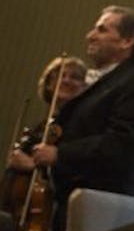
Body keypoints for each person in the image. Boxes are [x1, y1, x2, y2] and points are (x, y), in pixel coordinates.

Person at [8, 7, 134, 231]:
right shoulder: (104, 82)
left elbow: (122, 143)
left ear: (128, 41)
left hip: (104, 216)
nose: (90, 35)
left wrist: (60, 154)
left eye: (101, 29)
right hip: (81, 208)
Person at [4, 56, 88, 221]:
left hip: (56, 211)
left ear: (85, 87)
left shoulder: (83, 127)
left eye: (75, 77)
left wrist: (33, 166)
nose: (66, 80)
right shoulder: (42, 127)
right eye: (61, 75)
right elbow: (17, 156)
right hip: (19, 210)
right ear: (49, 85)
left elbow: (77, 165)